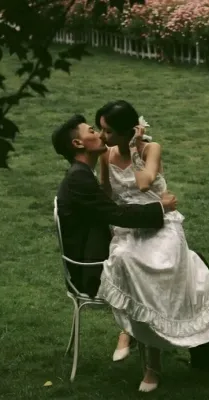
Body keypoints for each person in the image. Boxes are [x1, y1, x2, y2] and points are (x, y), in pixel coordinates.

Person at [95, 100, 209, 392]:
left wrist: (134, 149)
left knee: (163, 267)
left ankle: (168, 354)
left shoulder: (151, 149)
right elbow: (107, 195)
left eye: (108, 131)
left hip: (162, 224)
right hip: (130, 226)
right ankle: (136, 342)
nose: (102, 136)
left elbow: (144, 183)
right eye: (101, 129)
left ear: (127, 132)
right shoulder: (106, 156)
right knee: (126, 259)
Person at [52, 115, 177, 298]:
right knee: (169, 265)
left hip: (98, 256)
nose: (101, 135)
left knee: (174, 258)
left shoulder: (81, 173)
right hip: (93, 271)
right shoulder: (79, 178)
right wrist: (161, 207)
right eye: (93, 131)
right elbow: (117, 214)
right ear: (78, 143)